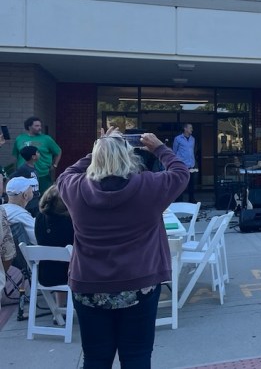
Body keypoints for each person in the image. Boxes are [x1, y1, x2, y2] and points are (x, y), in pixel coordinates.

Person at [57, 127, 189, 369]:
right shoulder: (149, 186)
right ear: (129, 157)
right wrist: (159, 148)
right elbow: (181, 172)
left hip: (88, 286)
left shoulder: (75, 188)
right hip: (139, 284)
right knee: (137, 357)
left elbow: (66, 172)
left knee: (96, 358)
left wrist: (101, 145)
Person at [34, 185, 74, 304]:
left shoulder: (40, 218)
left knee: (57, 260)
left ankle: (59, 309)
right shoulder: (70, 222)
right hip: (71, 276)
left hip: (46, 276)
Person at [12, 116, 61, 210]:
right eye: (37, 126)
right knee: (25, 199)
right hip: (24, 175)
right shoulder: (20, 139)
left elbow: (58, 151)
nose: (40, 128)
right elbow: (16, 156)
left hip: (42, 174)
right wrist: (16, 170)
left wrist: (55, 165)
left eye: (40, 125)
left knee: (45, 199)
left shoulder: (46, 139)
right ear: (29, 127)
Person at [1, 177, 38, 245]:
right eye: (30, 188)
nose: (33, 190)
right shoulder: (21, 215)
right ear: (25, 195)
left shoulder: (2, 208)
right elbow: (38, 239)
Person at [11, 145, 40, 215]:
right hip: (28, 204)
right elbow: (11, 178)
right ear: (33, 157)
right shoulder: (23, 169)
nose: (39, 154)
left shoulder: (34, 168)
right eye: (37, 152)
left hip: (35, 201)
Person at [172, 123, 197, 203]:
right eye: (190, 128)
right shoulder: (178, 139)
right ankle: (179, 200)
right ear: (185, 129)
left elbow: (192, 151)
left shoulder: (192, 139)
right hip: (181, 165)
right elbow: (174, 151)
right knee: (181, 183)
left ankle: (191, 199)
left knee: (191, 183)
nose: (192, 129)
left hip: (191, 165)